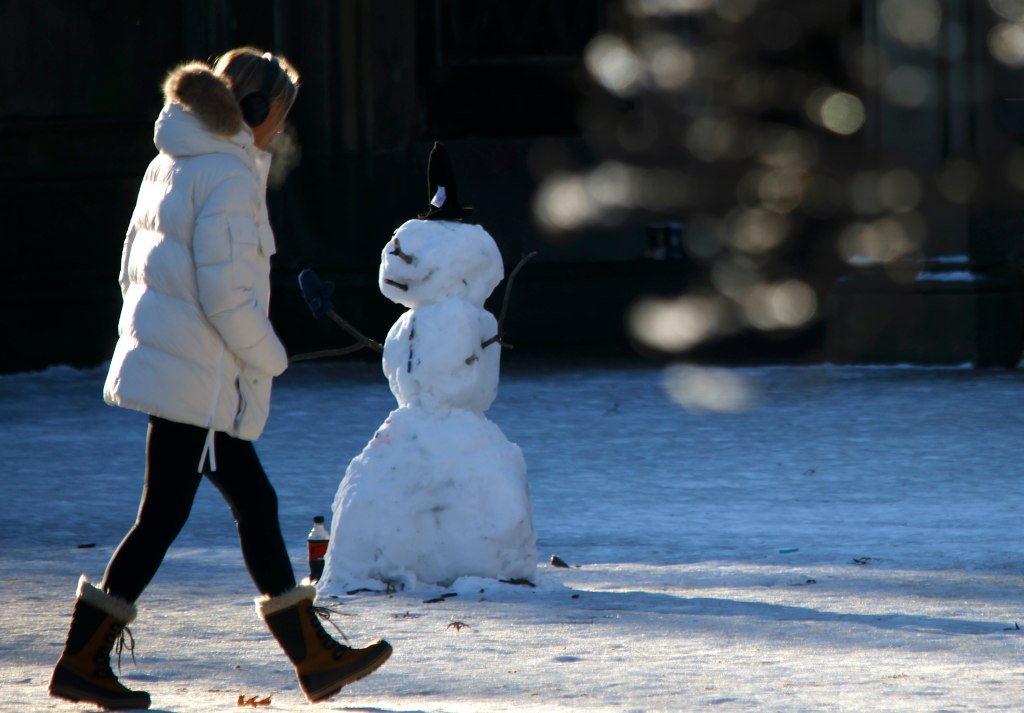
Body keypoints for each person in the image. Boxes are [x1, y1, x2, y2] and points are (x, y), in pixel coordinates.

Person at [48, 47, 391, 711]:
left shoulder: (175, 159)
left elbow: (135, 269)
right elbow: (226, 295)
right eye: (280, 116)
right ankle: (85, 659)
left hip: (184, 367)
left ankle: (311, 657)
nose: (282, 131)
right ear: (253, 111)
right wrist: (269, 356)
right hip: (199, 378)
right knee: (177, 515)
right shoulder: (227, 176)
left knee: (230, 506)